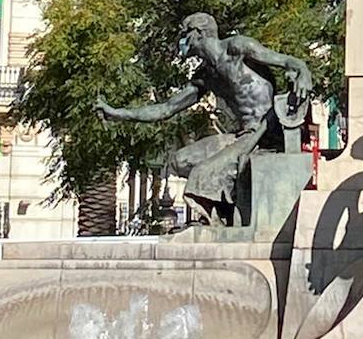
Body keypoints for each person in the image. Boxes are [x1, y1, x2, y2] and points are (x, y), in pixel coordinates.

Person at [96, 12, 313, 225]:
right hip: (242, 136)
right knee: (179, 161)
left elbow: (288, 61)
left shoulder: (237, 47)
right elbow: (166, 109)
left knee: (203, 172)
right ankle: (224, 211)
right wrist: (117, 113)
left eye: (185, 35)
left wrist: (303, 73)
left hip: (267, 131)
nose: (181, 42)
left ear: (198, 33)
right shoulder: (205, 76)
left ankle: (217, 218)